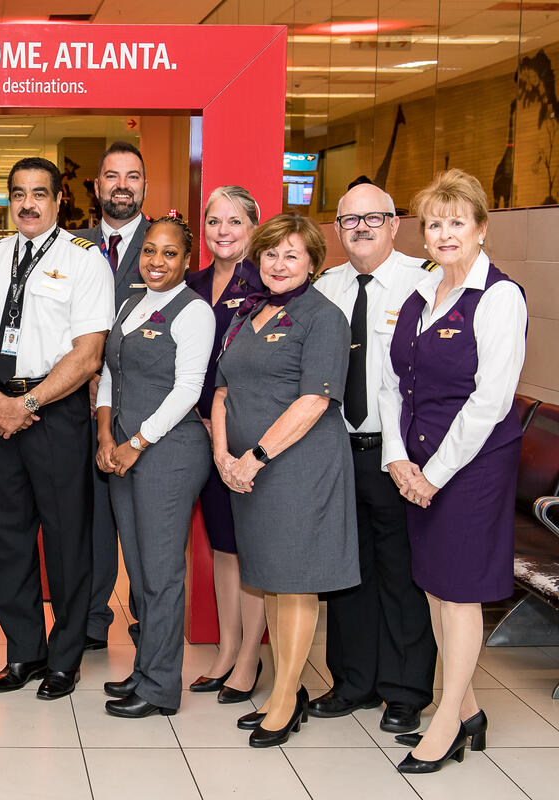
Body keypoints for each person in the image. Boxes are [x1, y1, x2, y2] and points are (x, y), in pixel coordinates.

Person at [378, 169, 527, 773]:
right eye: (433, 223)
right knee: (436, 586)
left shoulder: (500, 297)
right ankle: (467, 712)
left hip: (473, 466)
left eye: (455, 222)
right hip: (417, 460)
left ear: (481, 228)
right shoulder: (420, 296)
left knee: (458, 593)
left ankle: (445, 720)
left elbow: (491, 401)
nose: (443, 234)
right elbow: (392, 383)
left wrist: (433, 474)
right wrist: (396, 457)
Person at [0, 157, 114, 700]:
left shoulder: (84, 261)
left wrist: (29, 401)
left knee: (67, 539)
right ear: (8, 199)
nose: (28, 203)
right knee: (9, 537)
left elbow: (89, 353)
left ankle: (65, 658)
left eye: (39, 194)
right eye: (19, 193)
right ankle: (24, 651)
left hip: (55, 411)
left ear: (58, 201)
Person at [212, 213, 358, 747]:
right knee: (270, 578)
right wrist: (224, 455)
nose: (278, 264)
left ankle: (285, 698)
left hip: (298, 468)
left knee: (295, 584)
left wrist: (255, 456)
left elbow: (315, 400)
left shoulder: (324, 317)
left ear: (314, 263)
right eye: (271, 253)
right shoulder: (250, 312)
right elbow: (224, 392)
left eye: (292, 255)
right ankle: (285, 690)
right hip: (249, 471)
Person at [310, 182, 437, 733]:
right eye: (349, 221)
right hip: (338, 450)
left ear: (394, 224)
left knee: (402, 573)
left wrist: (412, 457)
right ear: (336, 231)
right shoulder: (326, 287)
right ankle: (353, 681)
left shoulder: (424, 283)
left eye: (373, 218)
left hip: (400, 456)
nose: (360, 228)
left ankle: (405, 690)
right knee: (348, 571)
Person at [95, 215, 214, 717]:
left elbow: (187, 391)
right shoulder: (130, 303)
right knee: (140, 568)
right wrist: (105, 435)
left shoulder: (194, 312)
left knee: (162, 573)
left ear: (187, 260)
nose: (157, 261)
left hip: (168, 454)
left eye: (169, 253)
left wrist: (136, 443)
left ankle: (162, 686)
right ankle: (146, 668)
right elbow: (107, 374)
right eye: (149, 251)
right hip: (121, 449)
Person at [184, 185, 267, 704]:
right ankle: (227, 646)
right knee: (221, 543)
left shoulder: (266, 281)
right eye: (214, 221)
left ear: (253, 227)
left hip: (247, 432)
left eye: (234, 221)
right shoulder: (191, 283)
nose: (222, 231)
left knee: (251, 544)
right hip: (198, 429)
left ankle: (250, 657)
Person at [73, 141, 152, 652]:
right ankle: (90, 621)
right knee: (90, 521)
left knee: (148, 527)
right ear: (97, 185)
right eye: (112, 176)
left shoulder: (165, 244)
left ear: (144, 185)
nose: (122, 184)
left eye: (132, 176)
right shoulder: (71, 245)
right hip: (77, 405)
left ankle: (152, 622)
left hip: (146, 409)